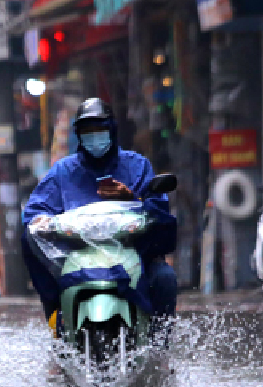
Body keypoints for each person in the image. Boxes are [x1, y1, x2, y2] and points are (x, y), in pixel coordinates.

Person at [21, 97, 178, 325]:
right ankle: (57, 316)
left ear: (112, 130)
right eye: (88, 130)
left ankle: (159, 345)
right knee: (27, 238)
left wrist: (132, 197)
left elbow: (158, 208)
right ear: (79, 135)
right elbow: (35, 210)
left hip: (134, 252)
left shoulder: (137, 165)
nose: (95, 136)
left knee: (165, 278)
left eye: (100, 129)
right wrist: (42, 221)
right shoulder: (63, 171)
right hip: (78, 257)